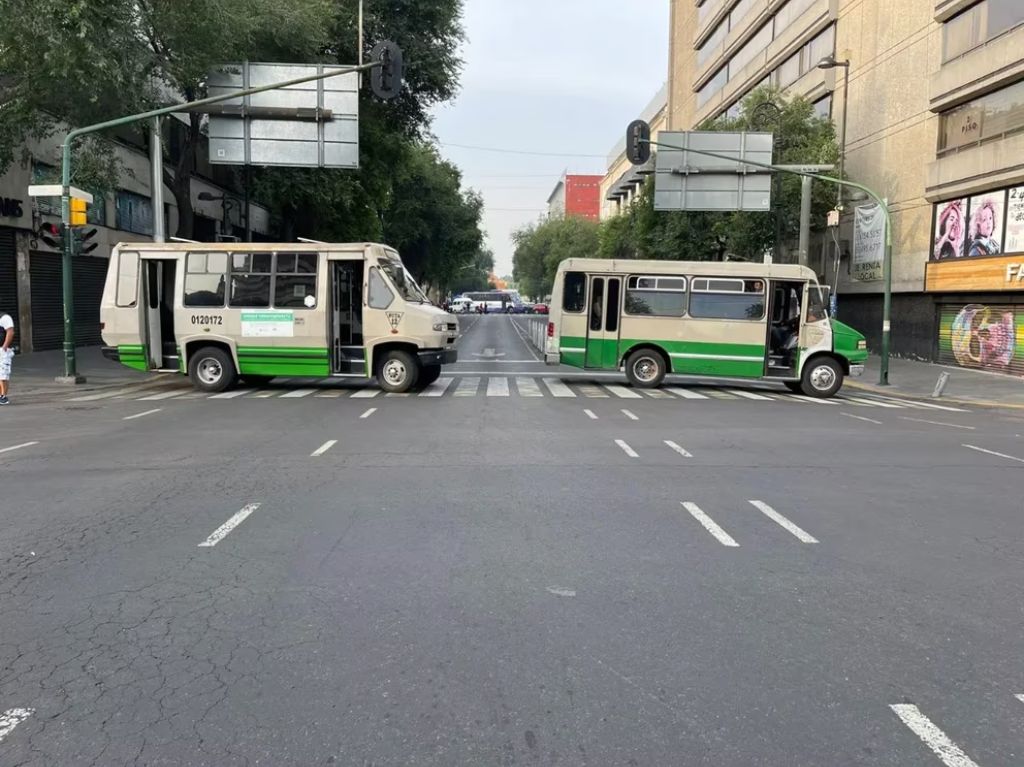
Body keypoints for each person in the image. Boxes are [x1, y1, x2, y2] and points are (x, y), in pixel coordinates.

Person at [0, 311, 14, 405]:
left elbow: (10, 332)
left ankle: (3, 396)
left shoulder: (5, 318)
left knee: (3, 374)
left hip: (3, 350)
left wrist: (4, 347)